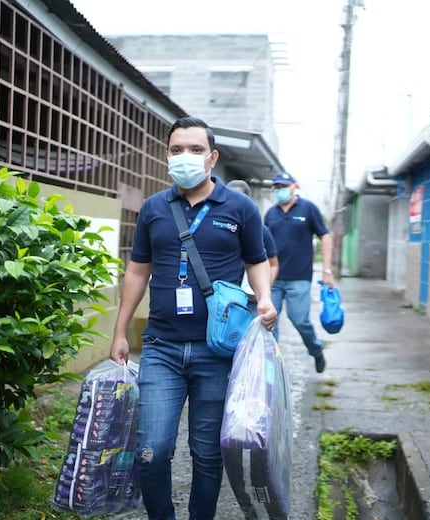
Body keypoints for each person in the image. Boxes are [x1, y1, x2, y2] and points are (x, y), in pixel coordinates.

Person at [109, 116, 277, 520]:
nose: (186, 156)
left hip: (217, 350)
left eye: (196, 149)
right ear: (167, 155)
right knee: (153, 451)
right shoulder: (153, 209)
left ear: (212, 157)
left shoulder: (239, 208)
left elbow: (258, 260)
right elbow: (137, 270)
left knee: (206, 454)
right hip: (161, 348)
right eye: (177, 149)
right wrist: (119, 332)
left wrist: (265, 299)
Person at [264, 171, 333, 373]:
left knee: (299, 319)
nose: (280, 190)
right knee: (269, 324)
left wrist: (327, 270)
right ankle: (271, 367)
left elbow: (325, 237)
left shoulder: (308, 208)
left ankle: (316, 350)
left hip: (299, 277)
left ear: (295, 186)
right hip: (273, 278)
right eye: (276, 187)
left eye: (284, 186)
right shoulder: (271, 213)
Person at [226, 179, 279, 291]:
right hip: (225, 292)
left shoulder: (260, 230)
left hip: (251, 294)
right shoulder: (218, 226)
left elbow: (273, 264)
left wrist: (263, 291)